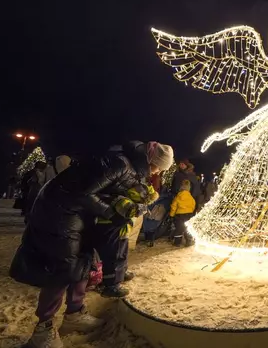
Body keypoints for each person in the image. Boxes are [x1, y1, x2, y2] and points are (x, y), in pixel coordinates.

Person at [9, 141, 173, 348]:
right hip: (59, 213)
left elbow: (104, 192)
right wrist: (111, 211)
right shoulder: (120, 164)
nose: (157, 172)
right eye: (159, 167)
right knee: (61, 269)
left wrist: (124, 205)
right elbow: (83, 192)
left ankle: (74, 314)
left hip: (80, 215)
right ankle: (43, 329)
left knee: (83, 263)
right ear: (151, 161)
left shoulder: (131, 169)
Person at [169, 179, 196, 246]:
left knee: (179, 229)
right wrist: (191, 212)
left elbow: (173, 206)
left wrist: (171, 215)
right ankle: (188, 241)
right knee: (187, 228)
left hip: (179, 215)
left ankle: (177, 242)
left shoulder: (178, 196)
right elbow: (193, 205)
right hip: (189, 215)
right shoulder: (191, 197)